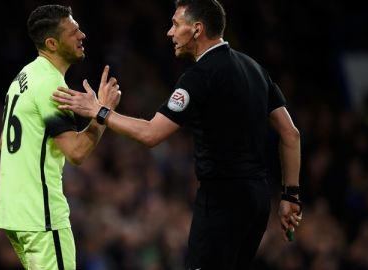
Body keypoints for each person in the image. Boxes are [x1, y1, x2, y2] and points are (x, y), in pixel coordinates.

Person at [52, 0, 302, 269]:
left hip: (221, 200)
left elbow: (151, 134)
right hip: (257, 200)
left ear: (197, 29)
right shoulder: (255, 69)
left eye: (175, 24)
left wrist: (100, 112)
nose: (169, 32)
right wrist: (290, 196)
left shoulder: (199, 76)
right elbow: (291, 134)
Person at [0, 5, 120, 270]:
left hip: (14, 213)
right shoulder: (51, 85)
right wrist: (102, 114)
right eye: (73, 32)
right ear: (52, 43)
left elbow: (2, 142)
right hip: (42, 217)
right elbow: (75, 152)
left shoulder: (23, 77)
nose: (82, 35)